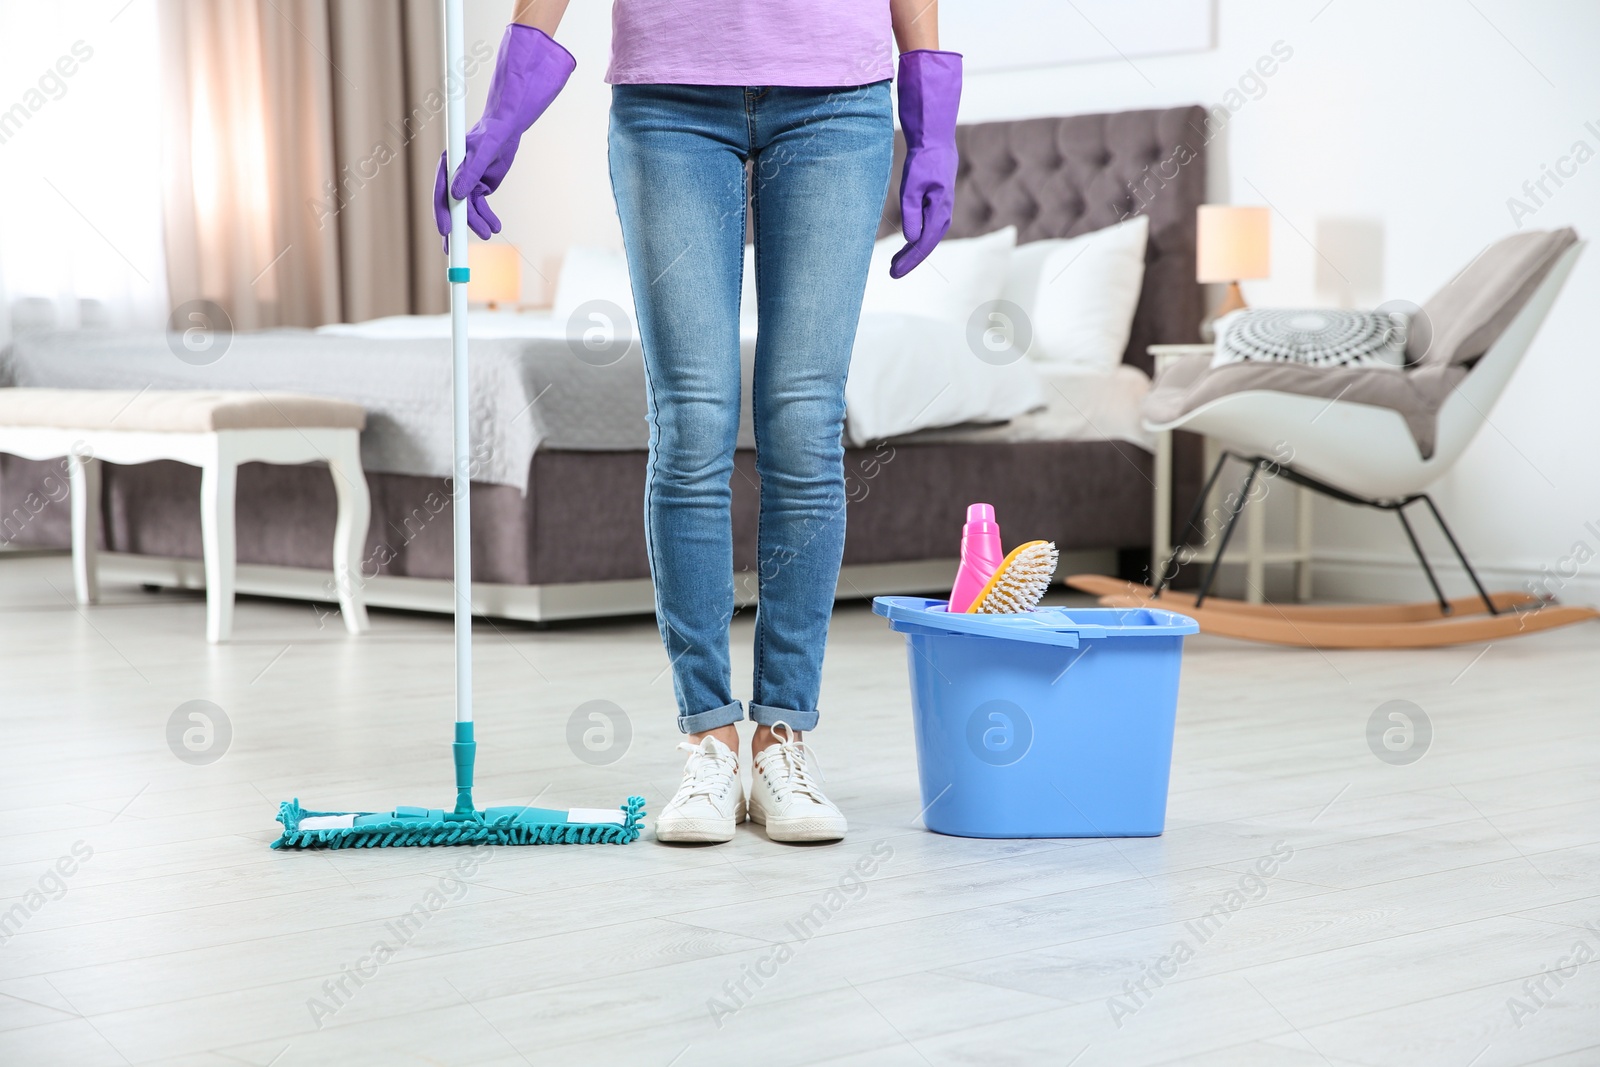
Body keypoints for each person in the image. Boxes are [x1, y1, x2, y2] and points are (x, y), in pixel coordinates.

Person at [436, 0, 960, 845]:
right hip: (668, 92)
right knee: (691, 417)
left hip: (837, 94)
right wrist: (509, 105)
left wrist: (930, 117)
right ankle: (709, 739)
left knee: (803, 416)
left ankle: (783, 734)